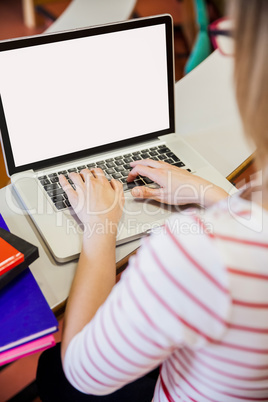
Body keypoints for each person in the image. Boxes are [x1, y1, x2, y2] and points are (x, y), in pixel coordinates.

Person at [36, 0, 268, 400]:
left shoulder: (199, 250)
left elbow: (82, 372)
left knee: (52, 371)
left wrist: (100, 230)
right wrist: (212, 194)